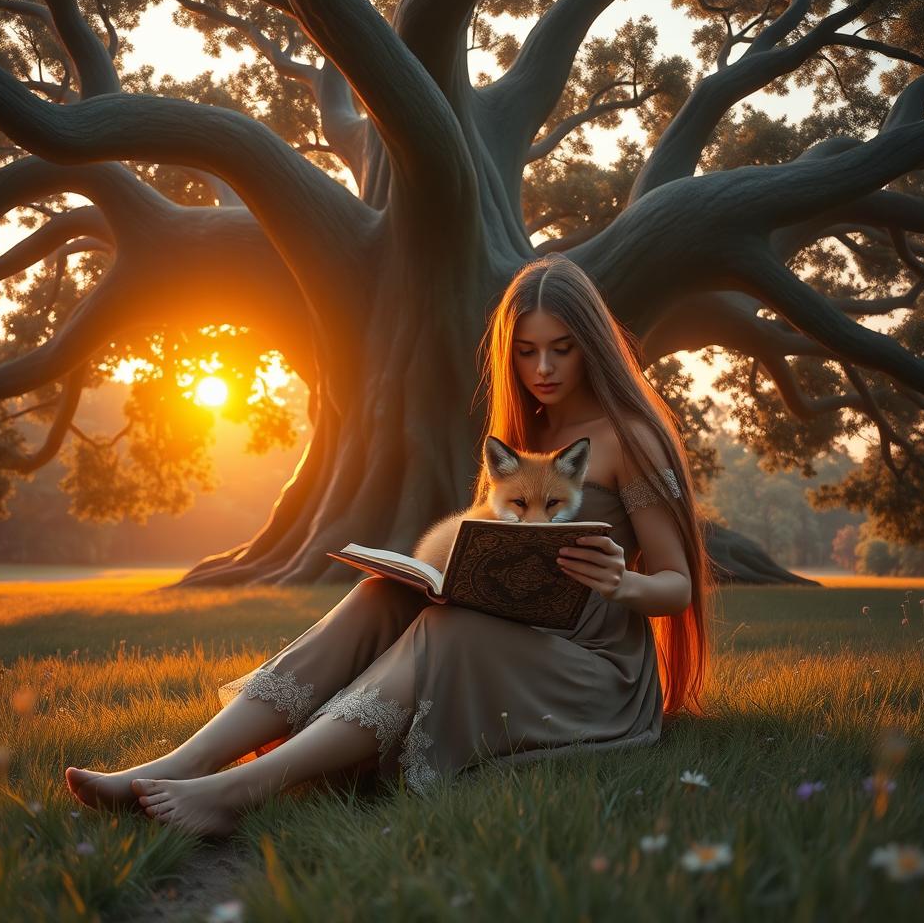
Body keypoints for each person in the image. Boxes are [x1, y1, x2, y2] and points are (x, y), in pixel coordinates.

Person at [65, 253, 717, 836]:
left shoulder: (631, 436)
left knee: (450, 633)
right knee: (382, 596)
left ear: (592, 346)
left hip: (594, 674)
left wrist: (622, 584)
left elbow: (676, 585)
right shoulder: (525, 433)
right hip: (518, 640)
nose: (542, 368)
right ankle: (185, 762)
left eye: (562, 348)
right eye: (525, 351)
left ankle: (240, 789)